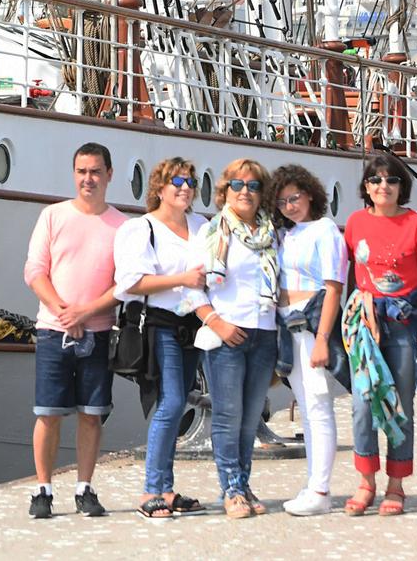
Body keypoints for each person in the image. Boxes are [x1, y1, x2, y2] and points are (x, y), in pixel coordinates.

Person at [22, 141, 129, 519]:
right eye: (82, 171)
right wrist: (63, 310)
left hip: (98, 331)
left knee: (91, 413)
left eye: (96, 171)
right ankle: (43, 489)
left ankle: (84, 488)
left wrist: (87, 310)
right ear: (74, 174)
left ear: (109, 174)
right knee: (47, 413)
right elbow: (35, 270)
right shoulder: (52, 216)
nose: (89, 178)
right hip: (54, 330)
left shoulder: (122, 226)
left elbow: (126, 283)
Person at [342, 149, 417, 516]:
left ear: (403, 186)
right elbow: (352, 271)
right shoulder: (354, 223)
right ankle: (366, 480)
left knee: (400, 405)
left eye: (392, 179)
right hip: (367, 325)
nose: (383, 185)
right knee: (362, 403)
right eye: (375, 179)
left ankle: (396, 484)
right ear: (366, 187)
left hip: (403, 324)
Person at [115, 155, 210, 520]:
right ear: (160, 188)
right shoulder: (141, 229)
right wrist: (182, 280)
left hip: (192, 325)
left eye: (189, 182)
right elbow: (130, 283)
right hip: (159, 323)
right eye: (177, 182)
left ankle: (167, 490)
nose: (185, 188)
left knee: (178, 401)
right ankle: (150, 491)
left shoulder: (201, 226)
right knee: (170, 403)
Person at [195, 157, 282, 519]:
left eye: (253, 185)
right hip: (227, 334)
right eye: (238, 184)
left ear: (263, 194)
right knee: (228, 415)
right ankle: (230, 488)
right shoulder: (212, 232)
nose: (245, 191)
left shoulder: (273, 234)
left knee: (250, 419)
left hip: (264, 333)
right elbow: (192, 291)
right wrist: (217, 323)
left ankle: (243, 483)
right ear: (225, 190)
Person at [268, 162, 345, 517]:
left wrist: (322, 339)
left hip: (309, 326)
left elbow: (333, 289)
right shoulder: (290, 232)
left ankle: (321, 488)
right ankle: (314, 482)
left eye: (294, 198)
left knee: (317, 406)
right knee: (307, 406)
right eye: (282, 202)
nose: (289, 206)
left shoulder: (325, 231)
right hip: (288, 325)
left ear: (310, 194)